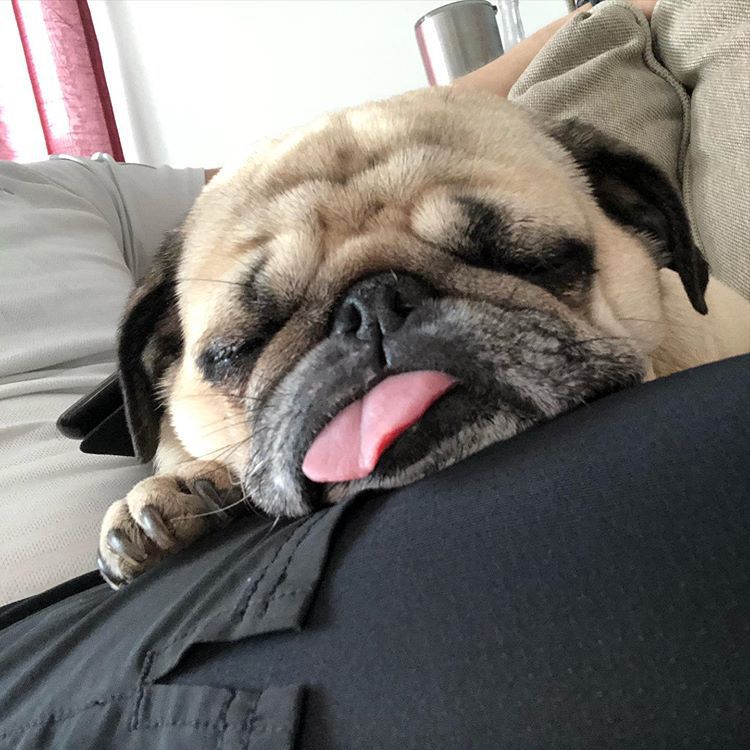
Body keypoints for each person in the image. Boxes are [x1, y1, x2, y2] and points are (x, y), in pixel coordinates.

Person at [0, 1, 747, 747]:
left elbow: (298, 167)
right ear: (152, 375)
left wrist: (609, 14)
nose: (381, 331)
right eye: (253, 341)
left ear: (645, 222)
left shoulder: (66, 187)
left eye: (517, 257)